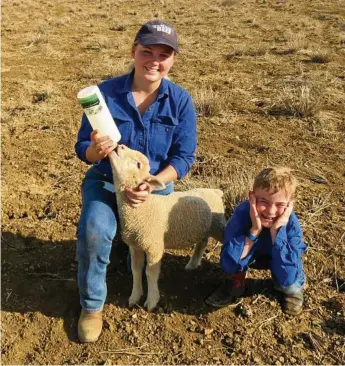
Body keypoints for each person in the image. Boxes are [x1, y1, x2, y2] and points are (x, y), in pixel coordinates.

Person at [75, 20, 197, 342]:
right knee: (95, 231)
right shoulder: (104, 95)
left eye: (164, 54)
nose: (154, 61)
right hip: (106, 181)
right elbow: (81, 147)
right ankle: (91, 306)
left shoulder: (180, 101)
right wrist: (94, 151)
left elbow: (183, 158)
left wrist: (154, 182)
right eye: (147, 51)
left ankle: (130, 256)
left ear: (173, 59)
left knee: (144, 245)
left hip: (153, 187)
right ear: (133, 51)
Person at [205, 167, 306, 315]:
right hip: (252, 256)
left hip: (276, 259)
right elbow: (228, 262)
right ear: (251, 197)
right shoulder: (242, 214)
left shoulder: (291, 224)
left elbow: (288, 273)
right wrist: (254, 230)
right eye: (264, 201)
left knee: (289, 281)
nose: (271, 211)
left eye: (280, 205)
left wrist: (276, 231)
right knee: (232, 267)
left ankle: (294, 289)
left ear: (290, 204)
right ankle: (235, 282)